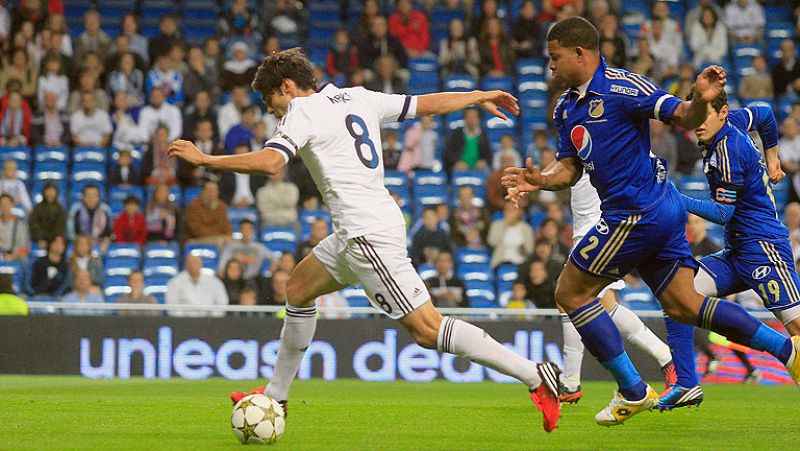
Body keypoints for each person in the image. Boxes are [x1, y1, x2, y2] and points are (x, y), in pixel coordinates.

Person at [168, 48, 563, 431]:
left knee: (428, 330)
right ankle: (276, 395)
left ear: (287, 86)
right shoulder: (357, 97)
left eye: (271, 102)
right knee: (299, 288)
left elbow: (272, 162)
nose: (272, 112)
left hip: (366, 235)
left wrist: (206, 159)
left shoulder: (302, 110)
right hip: (359, 229)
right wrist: (475, 95)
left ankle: (536, 376)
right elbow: (425, 104)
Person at [502, 17, 798, 425]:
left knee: (570, 293)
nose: (550, 65)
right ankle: (786, 350)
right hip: (658, 212)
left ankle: (632, 389)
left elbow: (683, 115)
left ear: (579, 53)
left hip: (634, 214)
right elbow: (569, 169)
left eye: (555, 57)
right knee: (684, 304)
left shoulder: (626, 87)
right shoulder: (566, 108)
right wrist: (541, 180)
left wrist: (700, 100)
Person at [683, 87, 800, 340]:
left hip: (763, 248)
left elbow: (723, 213)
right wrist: (772, 158)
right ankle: (682, 370)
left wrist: (673, 196)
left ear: (722, 112)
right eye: (694, 115)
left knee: (798, 329)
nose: (698, 123)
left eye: (704, 115)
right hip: (736, 252)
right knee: (680, 296)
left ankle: (777, 348)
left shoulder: (728, 149)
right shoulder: (732, 121)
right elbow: (765, 114)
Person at [182, 180, 232, 247]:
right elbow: (196, 230)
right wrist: (217, 236)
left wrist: (227, 236)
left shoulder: (222, 206)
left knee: (232, 243)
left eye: (214, 191)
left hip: (219, 238)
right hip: (196, 240)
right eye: (209, 191)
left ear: (218, 192)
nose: (211, 194)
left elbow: (227, 227)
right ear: (203, 192)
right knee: (221, 242)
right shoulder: (194, 206)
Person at [444, 108, 491, 175]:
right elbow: (449, 152)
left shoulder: (483, 134)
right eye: (469, 117)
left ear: (479, 119)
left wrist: (484, 161)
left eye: (474, 117)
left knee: (487, 171)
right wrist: (457, 162)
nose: (471, 120)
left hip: (478, 166)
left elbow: (488, 153)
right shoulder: (457, 133)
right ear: (464, 119)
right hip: (460, 166)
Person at [487, 202, 534, 269]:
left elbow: (530, 251)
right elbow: (492, 242)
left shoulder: (526, 228)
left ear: (519, 212)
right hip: (501, 262)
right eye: (507, 210)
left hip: (521, 263)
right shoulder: (497, 225)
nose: (510, 212)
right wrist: (505, 225)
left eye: (513, 210)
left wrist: (523, 248)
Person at [29, 182, 65, 248]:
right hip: (39, 239)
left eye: (52, 191)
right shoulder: (37, 208)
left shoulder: (60, 209)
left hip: (55, 239)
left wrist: (56, 238)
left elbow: (60, 226)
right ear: (44, 192)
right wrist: (40, 238)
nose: (50, 193)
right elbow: (34, 225)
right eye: (48, 190)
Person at [0, 193, 29, 262]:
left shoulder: (21, 224)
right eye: (2, 204)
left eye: (7, 203)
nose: (5, 206)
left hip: (16, 259)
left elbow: (25, 248)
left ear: (12, 205)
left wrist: (13, 256)